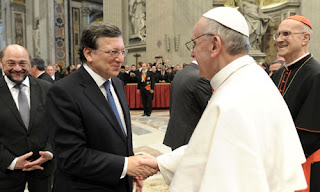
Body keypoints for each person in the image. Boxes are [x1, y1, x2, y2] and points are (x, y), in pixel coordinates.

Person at [139, 7, 307, 191]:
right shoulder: (247, 79)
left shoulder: (234, 99)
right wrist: (160, 163)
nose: (192, 54)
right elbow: (209, 148)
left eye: (194, 44)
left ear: (215, 45)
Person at [46, 22, 156, 192]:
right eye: (112, 52)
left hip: (119, 184)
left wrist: (131, 170)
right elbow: (71, 156)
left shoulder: (117, 84)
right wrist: (126, 165)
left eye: (122, 51)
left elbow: (119, 137)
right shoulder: (64, 91)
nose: (120, 59)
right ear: (89, 53)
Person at [272, 15, 320, 192]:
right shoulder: (278, 75)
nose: (279, 40)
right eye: (277, 35)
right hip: (279, 160)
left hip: (304, 163)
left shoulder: (316, 75)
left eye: (286, 34)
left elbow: (310, 134)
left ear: (305, 38)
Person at [0, 44, 53, 192]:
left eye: (22, 63)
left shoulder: (47, 89)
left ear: (30, 64)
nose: (17, 68)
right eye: (11, 63)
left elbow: (57, 125)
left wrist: (49, 152)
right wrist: (12, 162)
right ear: (1, 63)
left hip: (42, 172)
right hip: (6, 175)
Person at [163, 58, 212, 150]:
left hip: (177, 132)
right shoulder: (200, 77)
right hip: (190, 136)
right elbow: (209, 110)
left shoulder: (180, 73)